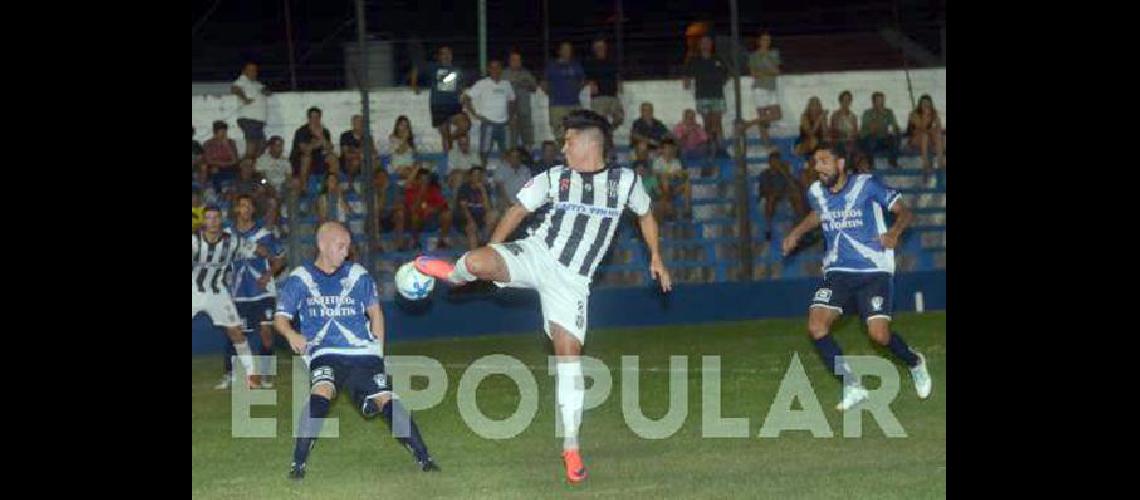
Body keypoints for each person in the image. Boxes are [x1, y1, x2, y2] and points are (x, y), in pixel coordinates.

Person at [414, 110, 672, 484]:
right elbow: (517, 210)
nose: (563, 147)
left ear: (588, 142)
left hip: (572, 280)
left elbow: (646, 215)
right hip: (537, 255)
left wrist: (656, 256)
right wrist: (495, 253)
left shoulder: (625, 181)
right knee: (475, 260)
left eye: (568, 140)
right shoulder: (555, 178)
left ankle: (571, 447)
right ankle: (455, 276)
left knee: (569, 359)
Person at [275, 222, 440, 479]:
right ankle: (298, 463)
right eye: (341, 246)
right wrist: (290, 333)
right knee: (322, 393)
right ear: (322, 245)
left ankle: (425, 458)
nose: (346, 252)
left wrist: (378, 353)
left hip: (363, 351)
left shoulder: (358, 274)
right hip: (324, 351)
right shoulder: (300, 278)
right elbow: (280, 318)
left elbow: (376, 313)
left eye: (348, 247)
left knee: (387, 399)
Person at [780, 143, 932, 411]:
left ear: (840, 164)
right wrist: (797, 232)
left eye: (824, 162)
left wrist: (894, 233)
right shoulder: (816, 192)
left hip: (873, 270)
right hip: (838, 271)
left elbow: (904, 212)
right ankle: (852, 386)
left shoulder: (867, 185)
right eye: (815, 162)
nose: (818, 168)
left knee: (879, 336)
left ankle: (915, 362)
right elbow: (819, 213)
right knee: (816, 326)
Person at [193, 205, 259, 389]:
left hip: (218, 293)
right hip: (194, 290)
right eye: (208, 218)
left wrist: (272, 256)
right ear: (203, 221)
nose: (212, 221)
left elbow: (256, 250)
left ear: (221, 220)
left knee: (235, 331)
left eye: (216, 217)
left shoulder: (233, 242)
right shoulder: (194, 241)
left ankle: (252, 374)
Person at [227, 194, 285, 389]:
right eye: (241, 205)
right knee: (238, 335)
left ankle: (267, 374)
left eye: (248, 206)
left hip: (262, 291)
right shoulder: (228, 234)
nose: (245, 209)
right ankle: (239, 374)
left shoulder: (263, 233)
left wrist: (267, 275)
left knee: (266, 333)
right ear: (236, 210)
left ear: (252, 210)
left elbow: (279, 259)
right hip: (239, 292)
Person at [411, 46, 467, 153]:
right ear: (439, 56)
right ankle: (447, 162)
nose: (446, 56)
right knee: (445, 136)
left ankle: (450, 139)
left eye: (448, 53)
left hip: (454, 105)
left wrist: (463, 95)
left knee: (465, 125)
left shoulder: (457, 70)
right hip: (438, 105)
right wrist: (414, 85)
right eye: (443, 53)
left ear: (451, 55)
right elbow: (416, 67)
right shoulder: (433, 67)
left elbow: (461, 86)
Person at [683, 36, 729, 157]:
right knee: (707, 123)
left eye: (708, 42)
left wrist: (722, 80)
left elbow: (726, 73)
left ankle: (721, 149)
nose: (705, 45)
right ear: (699, 45)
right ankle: (710, 147)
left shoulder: (718, 59)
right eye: (703, 42)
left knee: (718, 123)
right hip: (702, 95)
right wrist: (686, 81)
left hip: (717, 95)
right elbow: (687, 73)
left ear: (711, 45)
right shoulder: (695, 60)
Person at [463, 60, 516, 166]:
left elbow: (512, 100)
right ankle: (483, 173)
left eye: (498, 67)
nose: (495, 70)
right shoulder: (482, 84)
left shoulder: (506, 84)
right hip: (488, 124)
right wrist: (475, 114)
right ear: (489, 70)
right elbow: (466, 97)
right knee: (484, 152)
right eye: (493, 68)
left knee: (507, 152)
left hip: (504, 124)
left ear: (501, 69)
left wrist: (510, 117)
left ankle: (505, 173)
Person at [756, 151, 807, 241]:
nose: (775, 164)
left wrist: (785, 173)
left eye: (777, 161)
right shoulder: (765, 174)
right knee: (771, 198)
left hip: (782, 197)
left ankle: (801, 226)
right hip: (767, 198)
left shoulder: (783, 174)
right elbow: (764, 191)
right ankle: (768, 228)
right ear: (769, 162)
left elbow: (793, 186)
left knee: (796, 196)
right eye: (773, 161)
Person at [543, 42, 586, 146]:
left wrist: (576, 90)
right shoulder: (552, 66)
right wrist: (553, 93)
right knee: (559, 134)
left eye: (569, 49)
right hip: (557, 105)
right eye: (565, 49)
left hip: (574, 103)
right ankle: (563, 155)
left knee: (576, 131)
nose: (567, 51)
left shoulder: (576, 65)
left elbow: (582, 80)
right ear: (559, 51)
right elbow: (544, 83)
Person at [289, 107, 338, 192]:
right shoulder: (302, 131)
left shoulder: (324, 131)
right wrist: (319, 142)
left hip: (319, 159)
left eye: (317, 117)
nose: (315, 120)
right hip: (301, 160)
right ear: (309, 118)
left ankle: (331, 182)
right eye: (313, 117)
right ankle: (304, 186)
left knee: (333, 157)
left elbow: (329, 149)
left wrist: (320, 137)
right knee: (306, 157)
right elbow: (305, 149)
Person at [404, 169, 454, 250]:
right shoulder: (411, 190)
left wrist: (433, 209)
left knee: (447, 215)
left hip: (432, 218)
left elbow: (443, 205)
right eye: (422, 179)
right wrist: (421, 193)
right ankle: (415, 241)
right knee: (415, 217)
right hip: (418, 220)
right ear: (417, 180)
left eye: (426, 179)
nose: (424, 182)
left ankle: (441, 241)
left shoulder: (434, 189)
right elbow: (412, 209)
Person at [747, 32, 782, 148]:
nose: (766, 42)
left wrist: (765, 59)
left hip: (772, 88)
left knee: (777, 114)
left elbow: (776, 71)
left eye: (768, 40)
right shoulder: (753, 56)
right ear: (759, 41)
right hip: (759, 88)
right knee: (762, 116)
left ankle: (749, 123)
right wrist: (767, 72)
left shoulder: (774, 53)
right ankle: (766, 143)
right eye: (763, 39)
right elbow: (753, 73)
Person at [231, 61, 271, 160]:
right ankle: (246, 167)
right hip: (249, 119)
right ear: (244, 71)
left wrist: (265, 91)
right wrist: (244, 98)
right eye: (250, 70)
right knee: (252, 145)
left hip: (258, 120)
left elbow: (267, 92)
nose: (254, 72)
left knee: (262, 144)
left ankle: (252, 165)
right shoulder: (242, 80)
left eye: (255, 70)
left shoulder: (257, 84)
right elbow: (234, 89)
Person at [583, 38, 624, 128]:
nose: (600, 49)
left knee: (620, 117)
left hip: (612, 95)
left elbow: (617, 73)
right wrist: (590, 83)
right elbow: (584, 77)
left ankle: (610, 130)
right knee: (600, 122)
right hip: (598, 97)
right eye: (598, 47)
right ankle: (605, 137)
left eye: (602, 46)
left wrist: (619, 83)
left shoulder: (612, 60)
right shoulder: (590, 62)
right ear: (594, 49)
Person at [503, 49, 539, 149]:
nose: (516, 62)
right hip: (510, 112)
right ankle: (512, 158)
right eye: (514, 60)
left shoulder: (526, 73)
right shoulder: (503, 74)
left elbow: (534, 88)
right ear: (509, 61)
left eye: (518, 60)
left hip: (524, 110)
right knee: (512, 138)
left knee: (527, 136)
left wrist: (525, 84)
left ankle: (528, 156)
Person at [907, 94, 945, 177]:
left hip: (930, 139)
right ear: (920, 104)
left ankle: (940, 161)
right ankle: (925, 164)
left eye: (928, 103)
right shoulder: (914, 114)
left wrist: (934, 123)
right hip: (916, 139)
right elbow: (920, 128)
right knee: (924, 135)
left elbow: (938, 127)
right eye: (924, 103)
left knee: (938, 135)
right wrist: (926, 117)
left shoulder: (934, 114)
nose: (926, 105)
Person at [860, 92, 901, 168]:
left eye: (882, 100)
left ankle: (893, 161)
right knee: (870, 140)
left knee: (894, 138)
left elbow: (892, 128)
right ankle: (870, 163)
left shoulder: (889, 113)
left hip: (885, 139)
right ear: (873, 102)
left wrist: (892, 128)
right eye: (878, 101)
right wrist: (877, 117)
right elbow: (871, 129)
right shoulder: (868, 113)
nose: (881, 103)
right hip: (872, 139)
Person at [653, 138, 692, 219]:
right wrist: (671, 175)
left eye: (670, 148)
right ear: (663, 150)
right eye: (667, 148)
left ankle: (687, 209)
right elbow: (656, 175)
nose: (669, 151)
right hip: (660, 189)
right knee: (664, 181)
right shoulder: (657, 161)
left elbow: (680, 174)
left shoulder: (676, 162)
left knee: (687, 183)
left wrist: (681, 174)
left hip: (673, 187)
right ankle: (669, 208)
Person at [202, 120, 241, 190]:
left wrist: (227, 145)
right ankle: (217, 191)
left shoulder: (231, 142)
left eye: (225, 132)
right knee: (214, 170)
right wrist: (223, 164)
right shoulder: (208, 143)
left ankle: (229, 190)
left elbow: (235, 160)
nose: (223, 134)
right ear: (215, 132)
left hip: (229, 167)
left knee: (232, 171)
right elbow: (208, 160)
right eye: (221, 132)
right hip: (215, 167)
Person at [388, 115, 419, 185]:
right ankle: (406, 185)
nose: (404, 128)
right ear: (397, 126)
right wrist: (404, 138)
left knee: (424, 169)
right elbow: (400, 151)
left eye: (406, 126)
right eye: (402, 125)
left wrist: (409, 141)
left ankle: (406, 184)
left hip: (410, 165)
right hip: (399, 166)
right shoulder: (392, 137)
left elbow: (415, 154)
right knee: (415, 171)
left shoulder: (410, 140)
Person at [829, 91, 859, 161]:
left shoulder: (853, 116)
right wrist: (845, 136)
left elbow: (856, 131)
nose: (846, 102)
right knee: (842, 145)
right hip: (839, 140)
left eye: (848, 100)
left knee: (857, 145)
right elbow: (833, 130)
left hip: (851, 140)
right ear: (840, 101)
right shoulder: (835, 115)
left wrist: (852, 137)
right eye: (844, 100)